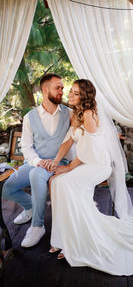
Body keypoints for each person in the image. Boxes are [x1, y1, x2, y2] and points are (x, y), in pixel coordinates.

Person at [46, 79, 133, 275]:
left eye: (75, 92)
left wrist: (69, 167)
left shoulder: (88, 114)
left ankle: (79, 240)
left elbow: (90, 150)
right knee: (58, 183)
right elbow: (69, 142)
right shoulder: (77, 114)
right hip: (88, 161)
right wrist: (57, 163)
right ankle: (62, 239)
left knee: (67, 185)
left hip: (98, 165)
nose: (70, 94)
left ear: (84, 97)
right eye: (71, 91)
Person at [2, 73, 75, 248]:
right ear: (45, 89)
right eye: (58, 88)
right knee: (6, 188)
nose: (61, 91)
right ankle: (30, 208)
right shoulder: (30, 117)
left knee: (36, 175)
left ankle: (38, 225)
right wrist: (37, 161)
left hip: (60, 163)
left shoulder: (69, 114)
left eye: (62, 88)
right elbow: (26, 146)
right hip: (37, 163)